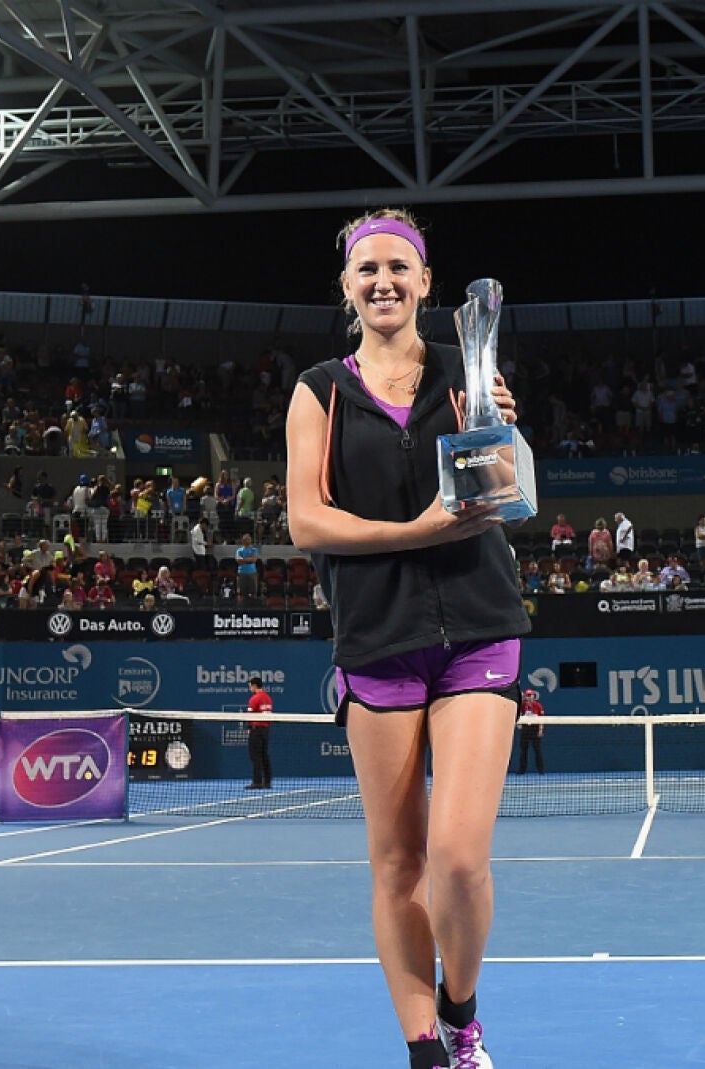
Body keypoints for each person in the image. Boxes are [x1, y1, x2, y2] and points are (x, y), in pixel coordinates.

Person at [286, 209, 526, 1069]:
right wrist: (416, 531)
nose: (382, 279)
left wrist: (504, 431)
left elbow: (506, 496)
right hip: (377, 634)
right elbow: (306, 520)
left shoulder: (469, 373)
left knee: (458, 857)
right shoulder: (319, 388)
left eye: (399, 265)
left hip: (478, 624)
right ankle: (427, 1047)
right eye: (366, 269)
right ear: (348, 288)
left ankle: (463, 1012)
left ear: (426, 281)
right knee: (398, 864)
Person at [245, 675, 273, 790]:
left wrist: (249, 729)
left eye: (250, 686)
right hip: (265, 731)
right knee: (264, 756)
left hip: (256, 731)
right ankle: (267, 782)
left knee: (255, 757)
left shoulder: (254, 699)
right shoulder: (268, 698)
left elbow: (250, 716)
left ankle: (257, 782)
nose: (249, 688)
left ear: (254, 685)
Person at [516, 688, 545, 774]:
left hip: (535, 730)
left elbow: (542, 719)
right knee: (523, 751)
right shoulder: (523, 706)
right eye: (527, 695)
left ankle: (541, 771)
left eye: (530, 695)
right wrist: (519, 725)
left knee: (537, 751)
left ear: (533, 696)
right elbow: (519, 715)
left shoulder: (538, 706)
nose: (529, 697)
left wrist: (540, 730)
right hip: (525, 730)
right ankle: (522, 770)